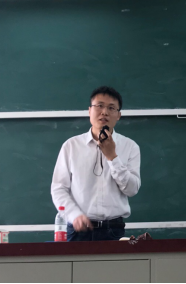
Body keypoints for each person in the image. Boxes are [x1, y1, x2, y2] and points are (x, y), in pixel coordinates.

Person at [51, 86, 141, 242]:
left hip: (113, 230)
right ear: (89, 111)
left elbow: (132, 189)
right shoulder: (71, 146)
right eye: (99, 106)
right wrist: (74, 215)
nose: (104, 112)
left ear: (118, 115)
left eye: (111, 108)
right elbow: (59, 188)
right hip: (78, 230)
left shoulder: (130, 146)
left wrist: (112, 157)